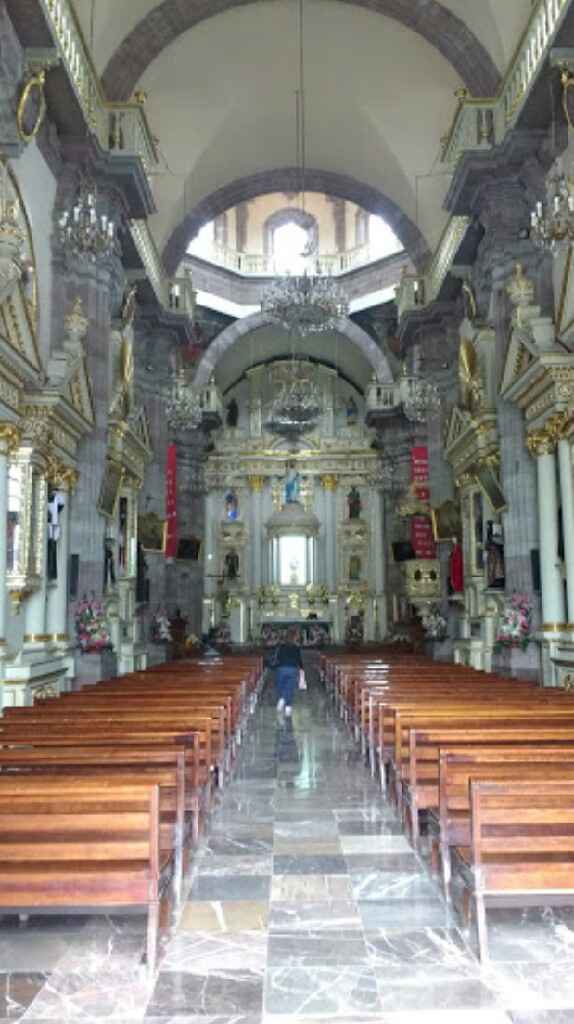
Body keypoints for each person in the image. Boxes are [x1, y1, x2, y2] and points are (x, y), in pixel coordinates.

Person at [273, 629, 303, 718]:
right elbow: (299, 661)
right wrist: (302, 671)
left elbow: (277, 659)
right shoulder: (296, 647)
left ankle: (283, 700)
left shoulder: (280, 647)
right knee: (289, 688)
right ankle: (287, 707)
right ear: (294, 638)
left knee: (281, 687)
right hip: (292, 669)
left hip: (281, 669)